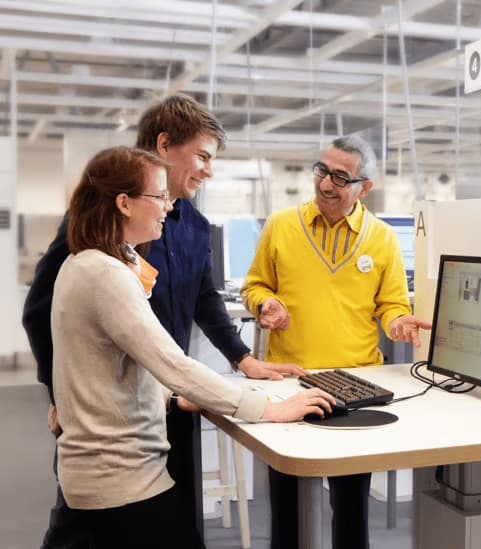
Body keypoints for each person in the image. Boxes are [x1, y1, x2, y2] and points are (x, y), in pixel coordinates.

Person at [22, 94, 302, 548]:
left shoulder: (189, 224)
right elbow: (42, 312)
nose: (208, 171)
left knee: (158, 517)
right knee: (101, 520)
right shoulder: (99, 244)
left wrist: (241, 359)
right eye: (203, 156)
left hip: (166, 400)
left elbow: (203, 300)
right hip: (111, 421)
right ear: (165, 145)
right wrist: (65, 398)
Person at [241, 134, 432, 549]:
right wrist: (265, 304)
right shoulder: (281, 226)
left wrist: (398, 322)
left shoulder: (381, 238)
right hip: (289, 381)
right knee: (287, 504)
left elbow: (392, 304)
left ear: (365, 187)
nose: (326, 184)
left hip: (354, 386)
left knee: (350, 504)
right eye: (322, 171)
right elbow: (254, 286)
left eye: (340, 177)